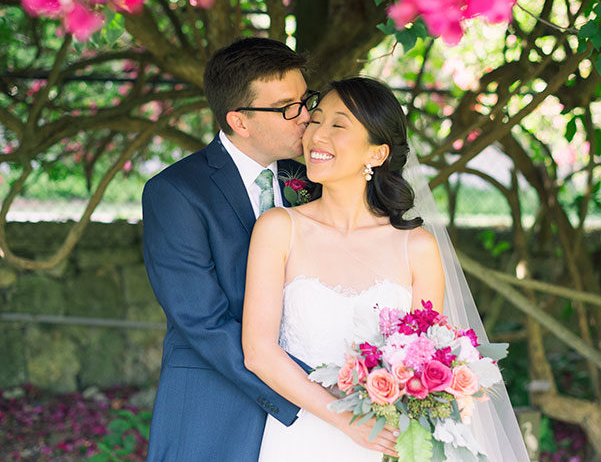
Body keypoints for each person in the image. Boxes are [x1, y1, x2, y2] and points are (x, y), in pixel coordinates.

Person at [242, 76, 530, 461]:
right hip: (298, 436)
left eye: (338, 125)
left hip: (388, 441)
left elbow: (428, 358)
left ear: (377, 154)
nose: (316, 135)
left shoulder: (417, 247)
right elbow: (259, 352)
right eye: (316, 120)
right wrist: (345, 421)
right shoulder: (278, 227)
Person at [142, 37, 319, 461]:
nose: (306, 118)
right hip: (214, 401)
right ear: (239, 121)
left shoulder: (313, 177)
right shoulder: (177, 192)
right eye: (287, 107)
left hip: (320, 401)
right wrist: (312, 389)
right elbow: (202, 321)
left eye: (305, 100)